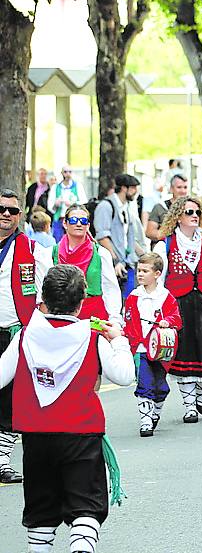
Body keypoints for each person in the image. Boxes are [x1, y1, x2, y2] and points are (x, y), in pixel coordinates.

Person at [0, 264, 135, 553]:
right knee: (85, 506)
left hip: (36, 436)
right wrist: (120, 340)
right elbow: (125, 375)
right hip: (81, 434)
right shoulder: (93, 337)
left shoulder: (24, 336)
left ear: (43, 300)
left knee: (41, 510)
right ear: (82, 302)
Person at [153, 197, 202, 423]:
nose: (194, 215)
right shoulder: (165, 245)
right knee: (184, 354)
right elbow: (158, 279)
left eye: (197, 211)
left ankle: (199, 392)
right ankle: (189, 405)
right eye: (189, 212)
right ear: (178, 216)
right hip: (179, 305)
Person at [0, 189, 50, 485]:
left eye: (13, 211)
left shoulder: (33, 250)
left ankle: (2, 460)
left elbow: (48, 293)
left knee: (9, 402)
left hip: (13, 334)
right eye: (1, 209)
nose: (6, 214)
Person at [123, 252, 182, 437]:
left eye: (145, 271)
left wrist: (168, 321)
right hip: (140, 348)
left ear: (157, 274)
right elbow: (129, 319)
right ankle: (146, 420)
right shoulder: (134, 296)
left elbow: (177, 318)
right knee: (144, 384)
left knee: (161, 386)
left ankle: (155, 412)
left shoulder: (165, 296)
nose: (140, 274)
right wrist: (130, 340)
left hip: (160, 349)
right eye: (138, 270)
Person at [41, 204, 122, 324]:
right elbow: (44, 290)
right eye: (73, 220)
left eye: (83, 221)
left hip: (93, 317)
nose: (78, 224)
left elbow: (110, 289)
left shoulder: (101, 254)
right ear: (65, 223)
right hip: (60, 316)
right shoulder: (50, 253)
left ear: (88, 225)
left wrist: (115, 319)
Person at [94, 174, 142, 298]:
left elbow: (129, 238)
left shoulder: (127, 207)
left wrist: (144, 255)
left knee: (130, 300)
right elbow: (102, 237)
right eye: (133, 188)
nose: (135, 192)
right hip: (113, 264)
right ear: (124, 188)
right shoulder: (106, 206)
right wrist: (115, 260)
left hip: (128, 263)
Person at [145, 174, 189, 244]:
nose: (183, 191)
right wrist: (173, 235)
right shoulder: (160, 207)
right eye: (179, 187)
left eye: (185, 187)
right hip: (164, 251)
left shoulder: (193, 208)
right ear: (171, 189)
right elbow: (149, 232)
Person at [48, 165, 87, 241]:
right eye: (65, 172)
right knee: (58, 242)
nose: (68, 174)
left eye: (70, 172)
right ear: (62, 173)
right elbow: (50, 206)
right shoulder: (55, 187)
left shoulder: (78, 186)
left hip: (74, 220)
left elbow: (84, 202)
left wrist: (73, 204)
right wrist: (56, 204)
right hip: (59, 219)